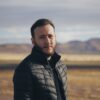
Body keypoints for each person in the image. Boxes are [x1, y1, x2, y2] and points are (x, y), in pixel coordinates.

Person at [13, 18, 67, 100]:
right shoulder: (25, 69)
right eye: (42, 37)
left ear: (55, 37)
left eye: (50, 36)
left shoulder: (61, 65)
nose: (48, 41)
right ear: (33, 41)